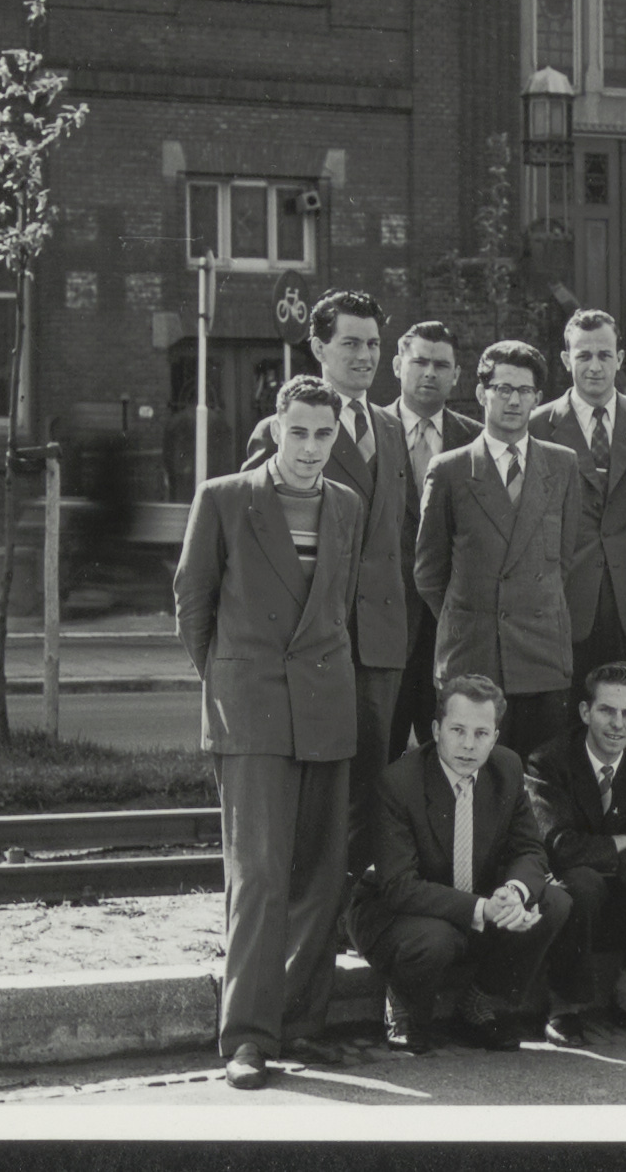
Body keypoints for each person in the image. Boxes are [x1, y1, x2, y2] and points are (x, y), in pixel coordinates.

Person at [174, 376, 364, 1089]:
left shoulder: (346, 504)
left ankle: (301, 1024)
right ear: (276, 429)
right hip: (251, 709)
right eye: (299, 432)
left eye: (323, 434)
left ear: (336, 435)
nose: (310, 447)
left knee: (319, 872)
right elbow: (192, 602)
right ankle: (248, 1037)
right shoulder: (224, 497)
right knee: (257, 875)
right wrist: (230, 679)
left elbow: (337, 602)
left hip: (326, 705)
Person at [244, 290, 409, 873]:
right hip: (314, 639)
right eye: (350, 343)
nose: (365, 356)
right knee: (315, 784)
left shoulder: (390, 427)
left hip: (381, 642)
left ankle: (356, 904)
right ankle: (311, 904)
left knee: (372, 783)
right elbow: (258, 543)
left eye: (373, 344)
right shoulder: (282, 430)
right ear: (317, 347)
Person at [351, 674, 572, 1054]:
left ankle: (479, 1001)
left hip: (473, 900)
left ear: (495, 737)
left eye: (481, 733)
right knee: (435, 938)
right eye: (457, 730)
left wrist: (514, 892)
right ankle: (404, 1002)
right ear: (436, 730)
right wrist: (483, 908)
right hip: (399, 913)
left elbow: (529, 850)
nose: (469, 745)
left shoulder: (506, 768)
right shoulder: (399, 782)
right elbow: (400, 886)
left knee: (552, 902)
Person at [414, 341, 585, 762]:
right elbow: (429, 572)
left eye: (524, 391)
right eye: (503, 388)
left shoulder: (562, 465)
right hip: (474, 653)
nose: (513, 400)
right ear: (481, 393)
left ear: (537, 398)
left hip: (541, 656)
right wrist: (474, 617)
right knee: (471, 772)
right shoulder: (450, 469)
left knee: (538, 778)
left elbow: (563, 560)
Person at [524, 660, 626, 1045]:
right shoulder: (549, 761)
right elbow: (559, 845)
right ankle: (564, 1005)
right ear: (585, 712)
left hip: (625, 885)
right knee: (581, 883)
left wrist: (612, 860)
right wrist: (618, 844)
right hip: (576, 888)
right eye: (607, 711)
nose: (618, 724)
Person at [528, 309, 626, 705]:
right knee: (566, 716)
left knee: (624, 713)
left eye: (605, 355)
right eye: (583, 355)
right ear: (565, 359)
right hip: (566, 600)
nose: (594, 366)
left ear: (619, 359)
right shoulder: (538, 425)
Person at [378, 321, 481, 759]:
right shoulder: (368, 431)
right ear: (397, 365)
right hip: (384, 625)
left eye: (441, 365)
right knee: (379, 754)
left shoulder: (476, 440)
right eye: (419, 362)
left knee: (449, 756)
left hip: (451, 630)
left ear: (456, 375)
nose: (429, 373)